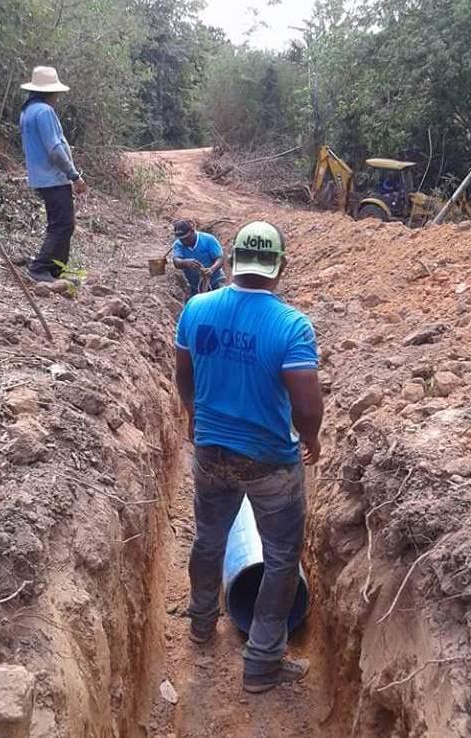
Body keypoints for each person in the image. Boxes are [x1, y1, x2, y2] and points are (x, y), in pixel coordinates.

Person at [175, 221, 323, 694]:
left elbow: (184, 375)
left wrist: (195, 416)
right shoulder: (291, 326)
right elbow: (306, 404)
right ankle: (261, 663)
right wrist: (312, 438)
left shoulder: (196, 308)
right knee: (280, 557)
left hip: (212, 452)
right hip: (270, 461)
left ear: (233, 261)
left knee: (209, 539)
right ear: (280, 266)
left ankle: (201, 623)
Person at [19, 66, 87, 283]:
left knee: (61, 223)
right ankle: (40, 268)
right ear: (50, 92)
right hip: (53, 177)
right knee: (62, 224)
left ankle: (56, 270)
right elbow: (55, 148)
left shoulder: (27, 111)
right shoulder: (44, 112)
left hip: (41, 176)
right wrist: (74, 175)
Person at [172, 220, 226, 299]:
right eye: (182, 239)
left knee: (221, 303)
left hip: (216, 282)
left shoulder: (208, 240)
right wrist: (185, 262)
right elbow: (176, 262)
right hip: (195, 287)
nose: (184, 242)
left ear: (193, 231)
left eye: (187, 238)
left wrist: (211, 270)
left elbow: (220, 258)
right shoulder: (178, 245)